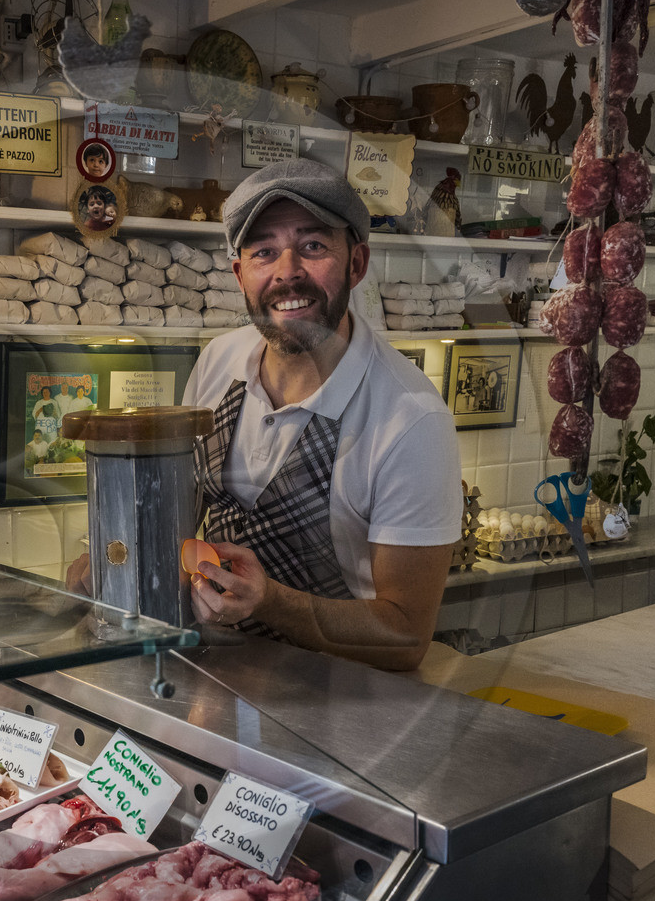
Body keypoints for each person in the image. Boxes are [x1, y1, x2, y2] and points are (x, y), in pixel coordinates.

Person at [180, 159, 462, 670]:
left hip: (343, 701)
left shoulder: (411, 419)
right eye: (263, 251)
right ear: (240, 275)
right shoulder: (218, 361)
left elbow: (405, 637)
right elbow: (179, 514)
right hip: (215, 677)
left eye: (312, 246)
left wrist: (269, 601)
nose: (287, 271)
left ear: (357, 263)